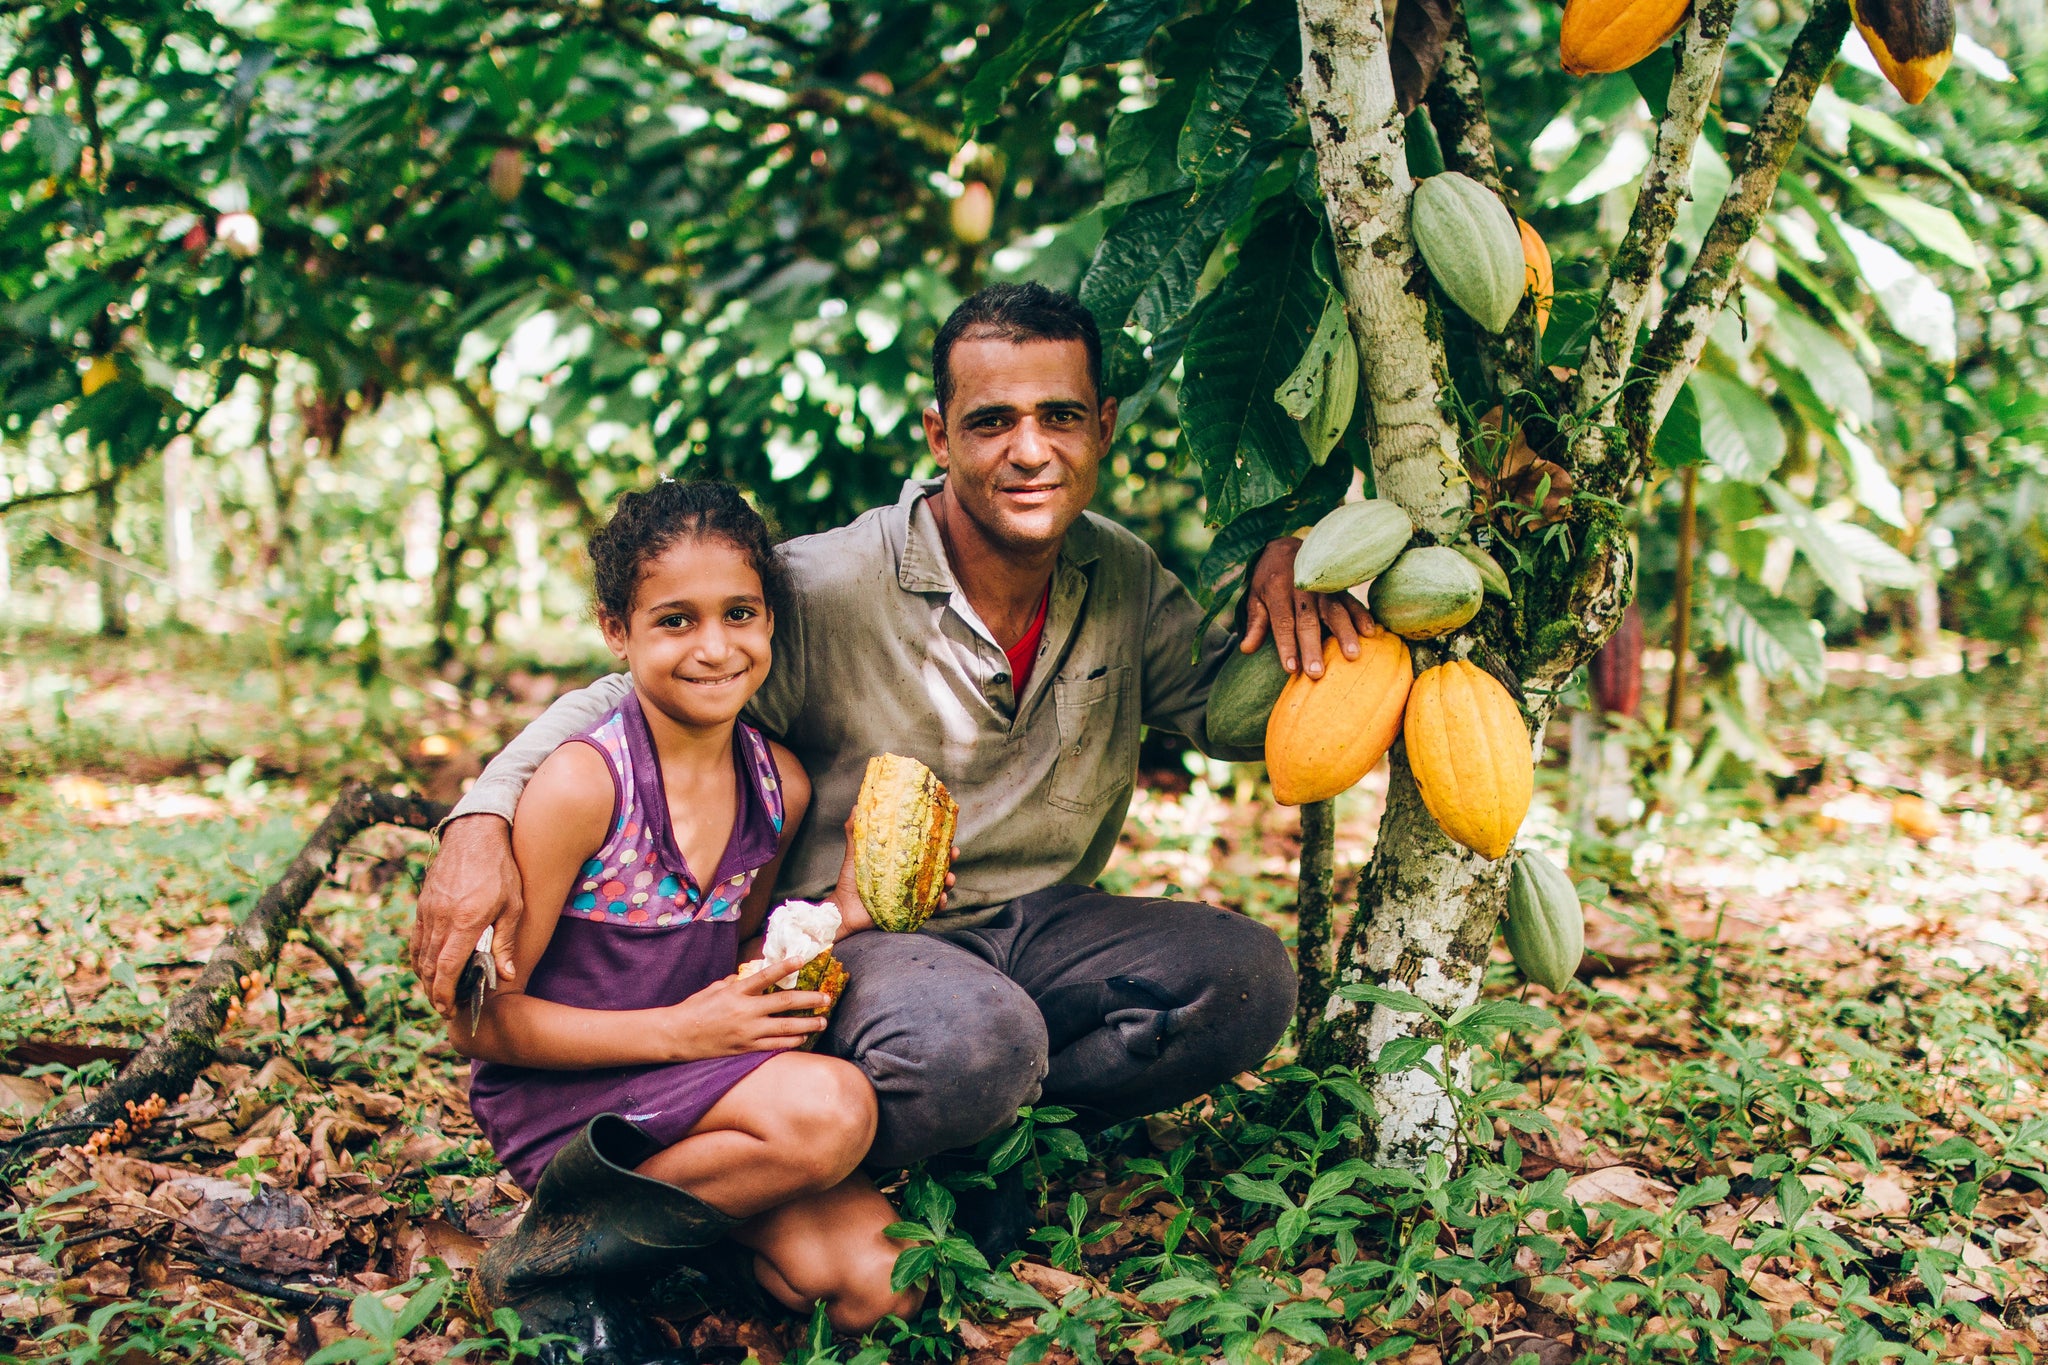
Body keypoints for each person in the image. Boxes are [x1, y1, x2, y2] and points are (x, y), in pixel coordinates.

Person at [417, 282, 1377, 1250]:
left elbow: (1236, 709)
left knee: (1245, 979)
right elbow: (629, 696)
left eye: (1060, 418)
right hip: (867, 942)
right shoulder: (829, 586)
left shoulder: (1119, 577)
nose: (1030, 449)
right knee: (971, 1045)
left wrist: (1305, 574)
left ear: (1105, 427)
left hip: (1045, 927)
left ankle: (1006, 1137)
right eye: (991, 421)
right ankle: (874, 1153)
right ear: (937, 434)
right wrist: (481, 815)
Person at [452, 479, 920, 1357]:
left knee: (881, 1284)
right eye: (675, 620)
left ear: (771, 622)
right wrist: (684, 1032)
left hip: (689, 1088)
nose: (714, 647)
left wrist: (841, 915)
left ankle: (652, 1259)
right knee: (829, 1110)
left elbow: (738, 945)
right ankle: (542, 1256)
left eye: (740, 613)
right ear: (615, 631)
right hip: (571, 1101)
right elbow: (476, 1019)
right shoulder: (583, 785)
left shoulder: (778, 784)